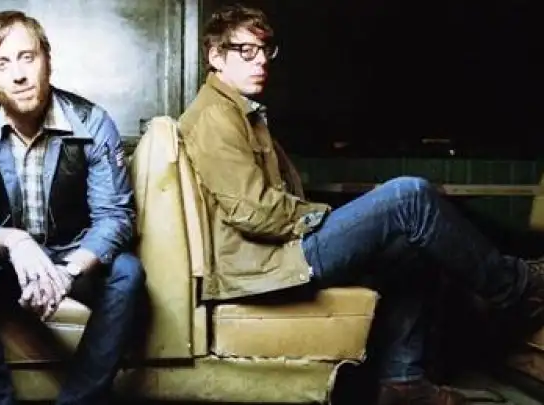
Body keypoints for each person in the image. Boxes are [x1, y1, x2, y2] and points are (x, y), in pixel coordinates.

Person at [178, 4, 544, 404]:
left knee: (410, 244)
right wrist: (329, 218)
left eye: (266, 50)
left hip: (276, 250)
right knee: (410, 195)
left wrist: (344, 220)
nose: (261, 60)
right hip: (266, 264)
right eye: (247, 51)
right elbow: (257, 214)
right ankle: (520, 288)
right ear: (216, 56)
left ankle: (403, 382)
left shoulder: (240, 112)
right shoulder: (216, 117)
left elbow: (271, 205)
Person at [0, 10, 145, 405]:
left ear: (47, 60)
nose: (18, 75)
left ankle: (79, 399)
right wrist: (15, 242)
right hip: (7, 263)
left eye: (27, 57)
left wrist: (68, 272)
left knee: (127, 272)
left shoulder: (92, 122)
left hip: (73, 255)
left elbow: (115, 218)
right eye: (2, 63)